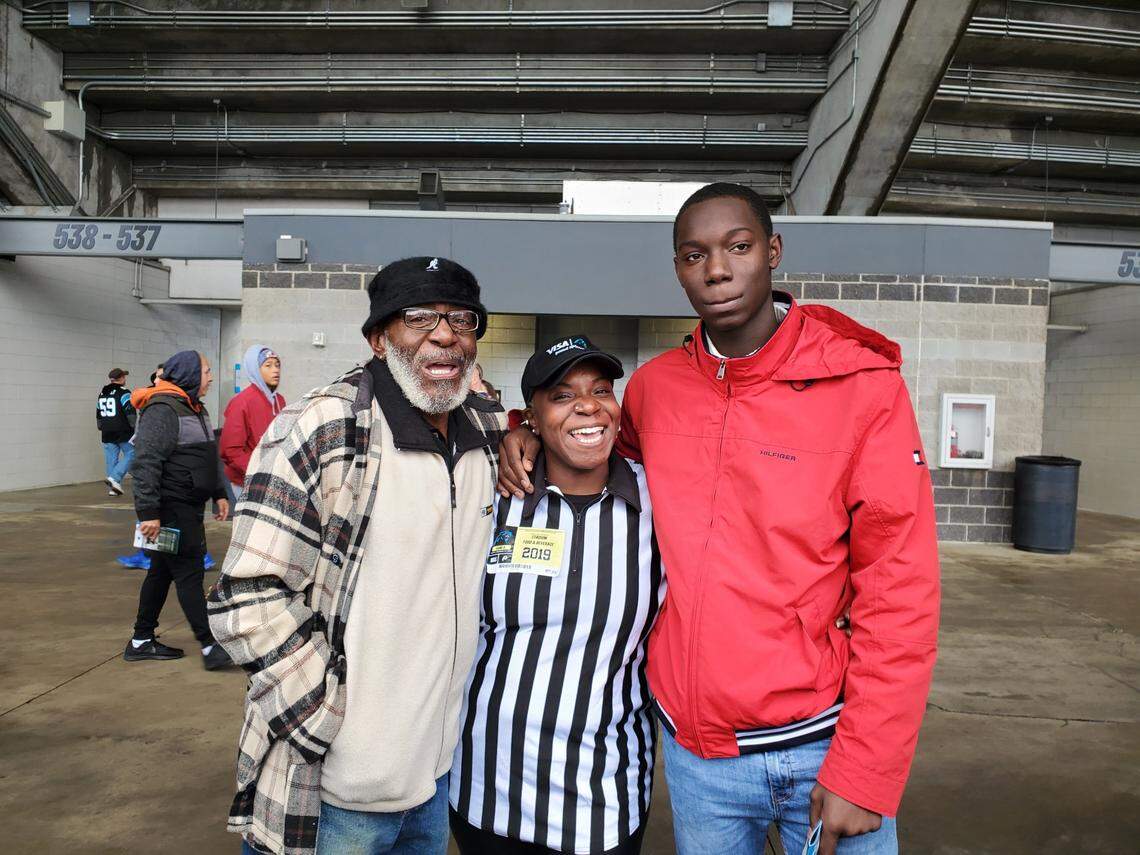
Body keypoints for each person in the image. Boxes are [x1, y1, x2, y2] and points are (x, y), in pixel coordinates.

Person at [499, 183, 940, 855]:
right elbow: (589, 451)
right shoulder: (656, 389)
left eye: (738, 247)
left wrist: (867, 768)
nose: (717, 269)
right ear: (677, 268)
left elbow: (899, 593)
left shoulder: (863, 387)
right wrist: (520, 433)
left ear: (773, 252)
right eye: (693, 254)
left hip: (823, 746)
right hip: (699, 757)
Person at [208, 256, 507, 855]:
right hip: (336, 794)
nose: (444, 334)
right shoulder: (322, 428)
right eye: (418, 317)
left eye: (461, 320)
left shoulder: (486, 431)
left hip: (434, 777)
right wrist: (325, 724)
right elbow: (248, 597)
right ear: (378, 338)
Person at [450, 336, 665, 855]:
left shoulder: (661, 501)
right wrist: (512, 436)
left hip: (604, 798)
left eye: (600, 390)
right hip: (485, 790)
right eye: (563, 396)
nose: (588, 405)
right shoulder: (491, 495)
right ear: (532, 417)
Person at [123, 350, 232, 670]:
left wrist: (219, 492)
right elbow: (145, 464)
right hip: (172, 507)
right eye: (207, 371)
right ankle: (210, 646)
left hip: (189, 504)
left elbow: (208, 454)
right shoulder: (163, 409)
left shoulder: (194, 407)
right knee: (188, 571)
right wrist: (148, 513)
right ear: (188, 374)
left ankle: (141, 640)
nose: (210, 377)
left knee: (160, 572)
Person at [220, 345, 285, 503]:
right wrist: (259, 470)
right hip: (247, 481)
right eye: (268, 365)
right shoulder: (241, 402)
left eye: (277, 365)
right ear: (255, 369)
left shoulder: (279, 400)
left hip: (272, 479)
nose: (275, 370)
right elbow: (231, 450)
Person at [97, 368, 135, 496]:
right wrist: (134, 427)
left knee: (111, 459)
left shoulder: (103, 392)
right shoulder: (124, 392)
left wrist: (101, 426)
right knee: (132, 453)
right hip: (122, 430)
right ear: (122, 378)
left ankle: (114, 487)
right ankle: (115, 477)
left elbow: (98, 413)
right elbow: (130, 411)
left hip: (107, 430)